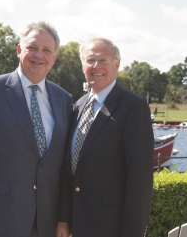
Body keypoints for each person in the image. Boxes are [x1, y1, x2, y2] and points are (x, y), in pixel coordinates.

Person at [0, 21, 72, 237]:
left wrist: (64, 218)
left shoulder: (64, 99)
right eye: (32, 48)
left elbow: (64, 167)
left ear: (54, 58)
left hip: (48, 223)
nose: (39, 55)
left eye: (47, 50)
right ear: (19, 50)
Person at [66, 38, 154, 237]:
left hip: (110, 227)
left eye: (103, 60)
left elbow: (140, 181)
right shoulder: (78, 106)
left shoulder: (133, 107)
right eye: (90, 60)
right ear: (83, 66)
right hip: (75, 226)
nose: (96, 66)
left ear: (117, 64)